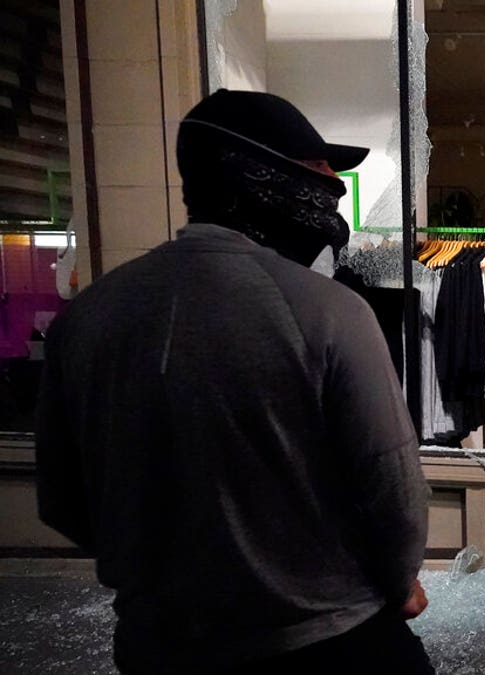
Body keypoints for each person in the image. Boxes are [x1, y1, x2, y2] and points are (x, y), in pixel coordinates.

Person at [35, 89, 434, 674]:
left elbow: (63, 498)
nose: (335, 190)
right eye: (318, 172)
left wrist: (162, 572)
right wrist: (398, 583)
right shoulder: (327, 310)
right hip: (329, 640)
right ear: (258, 176)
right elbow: (391, 486)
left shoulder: (89, 315)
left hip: (160, 644)